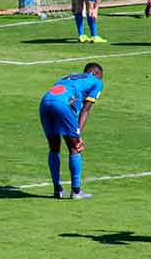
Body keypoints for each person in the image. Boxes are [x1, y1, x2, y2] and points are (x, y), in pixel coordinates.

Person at [38, 62, 104, 199]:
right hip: (62, 104)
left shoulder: (67, 77)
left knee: (54, 147)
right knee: (74, 147)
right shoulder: (96, 82)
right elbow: (86, 109)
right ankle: (76, 191)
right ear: (95, 73)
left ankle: (57, 190)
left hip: (45, 102)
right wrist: (78, 132)